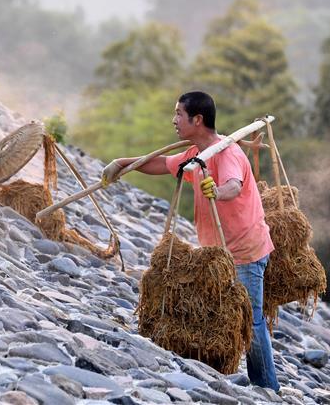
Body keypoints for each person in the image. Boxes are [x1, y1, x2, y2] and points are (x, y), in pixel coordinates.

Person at [101, 91, 279, 390]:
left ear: (197, 120)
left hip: (245, 250)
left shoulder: (226, 152)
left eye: (178, 115)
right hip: (218, 253)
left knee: (251, 320)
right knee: (220, 312)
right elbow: (161, 164)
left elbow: (233, 186)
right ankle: (215, 371)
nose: (174, 121)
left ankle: (267, 387)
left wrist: (216, 192)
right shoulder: (195, 154)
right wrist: (123, 163)